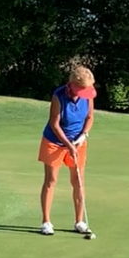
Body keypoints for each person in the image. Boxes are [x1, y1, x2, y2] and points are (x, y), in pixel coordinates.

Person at [38, 66, 97, 236]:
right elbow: (54, 124)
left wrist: (83, 136)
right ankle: (46, 222)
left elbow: (90, 117)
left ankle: (79, 221)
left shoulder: (87, 95)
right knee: (51, 180)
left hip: (78, 141)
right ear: (71, 85)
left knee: (78, 180)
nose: (85, 92)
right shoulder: (59, 96)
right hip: (54, 141)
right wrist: (68, 145)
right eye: (82, 89)